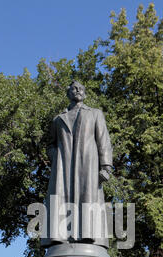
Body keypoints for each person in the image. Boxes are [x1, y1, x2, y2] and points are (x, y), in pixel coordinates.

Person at [42, 80, 113, 248]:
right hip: (63, 167)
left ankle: (88, 235)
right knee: (60, 198)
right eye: (74, 88)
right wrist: (57, 155)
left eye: (81, 88)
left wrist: (106, 167)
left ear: (85, 93)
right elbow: (50, 144)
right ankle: (60, 236)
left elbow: (104, 140)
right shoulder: (59, 119)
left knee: (88, 198)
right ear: (68, 94)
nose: (78, 90)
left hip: (87, 164)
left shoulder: (95, 114)